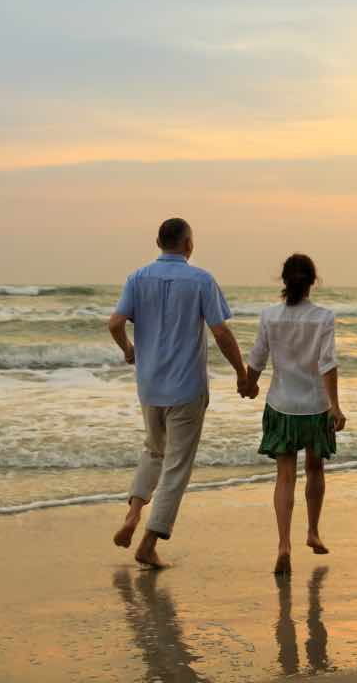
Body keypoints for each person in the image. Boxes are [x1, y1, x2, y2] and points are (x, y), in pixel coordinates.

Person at [108, 218, 255, 569]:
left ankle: (132, 514)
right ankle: (148, 541)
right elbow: (220, 332)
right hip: (186, 388)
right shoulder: (201, 279)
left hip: (149, 386)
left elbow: (114, 323)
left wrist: (128, 349)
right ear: (188, 245)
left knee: (153, 450)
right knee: (176, 466)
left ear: (157, 241)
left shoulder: (137, 278)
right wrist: (242, 374)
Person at [245, 254, 346, 575]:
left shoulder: (269, 316)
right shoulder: (323, 317)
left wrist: (247, 384)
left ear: (284, 280)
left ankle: (283, 544)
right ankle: (313, 531)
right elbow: (327, 363)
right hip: (315, 406)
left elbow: (258, 358)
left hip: (281, 406)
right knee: (315, 470)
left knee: (284, 476)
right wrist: (336, 406)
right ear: (312, 282)